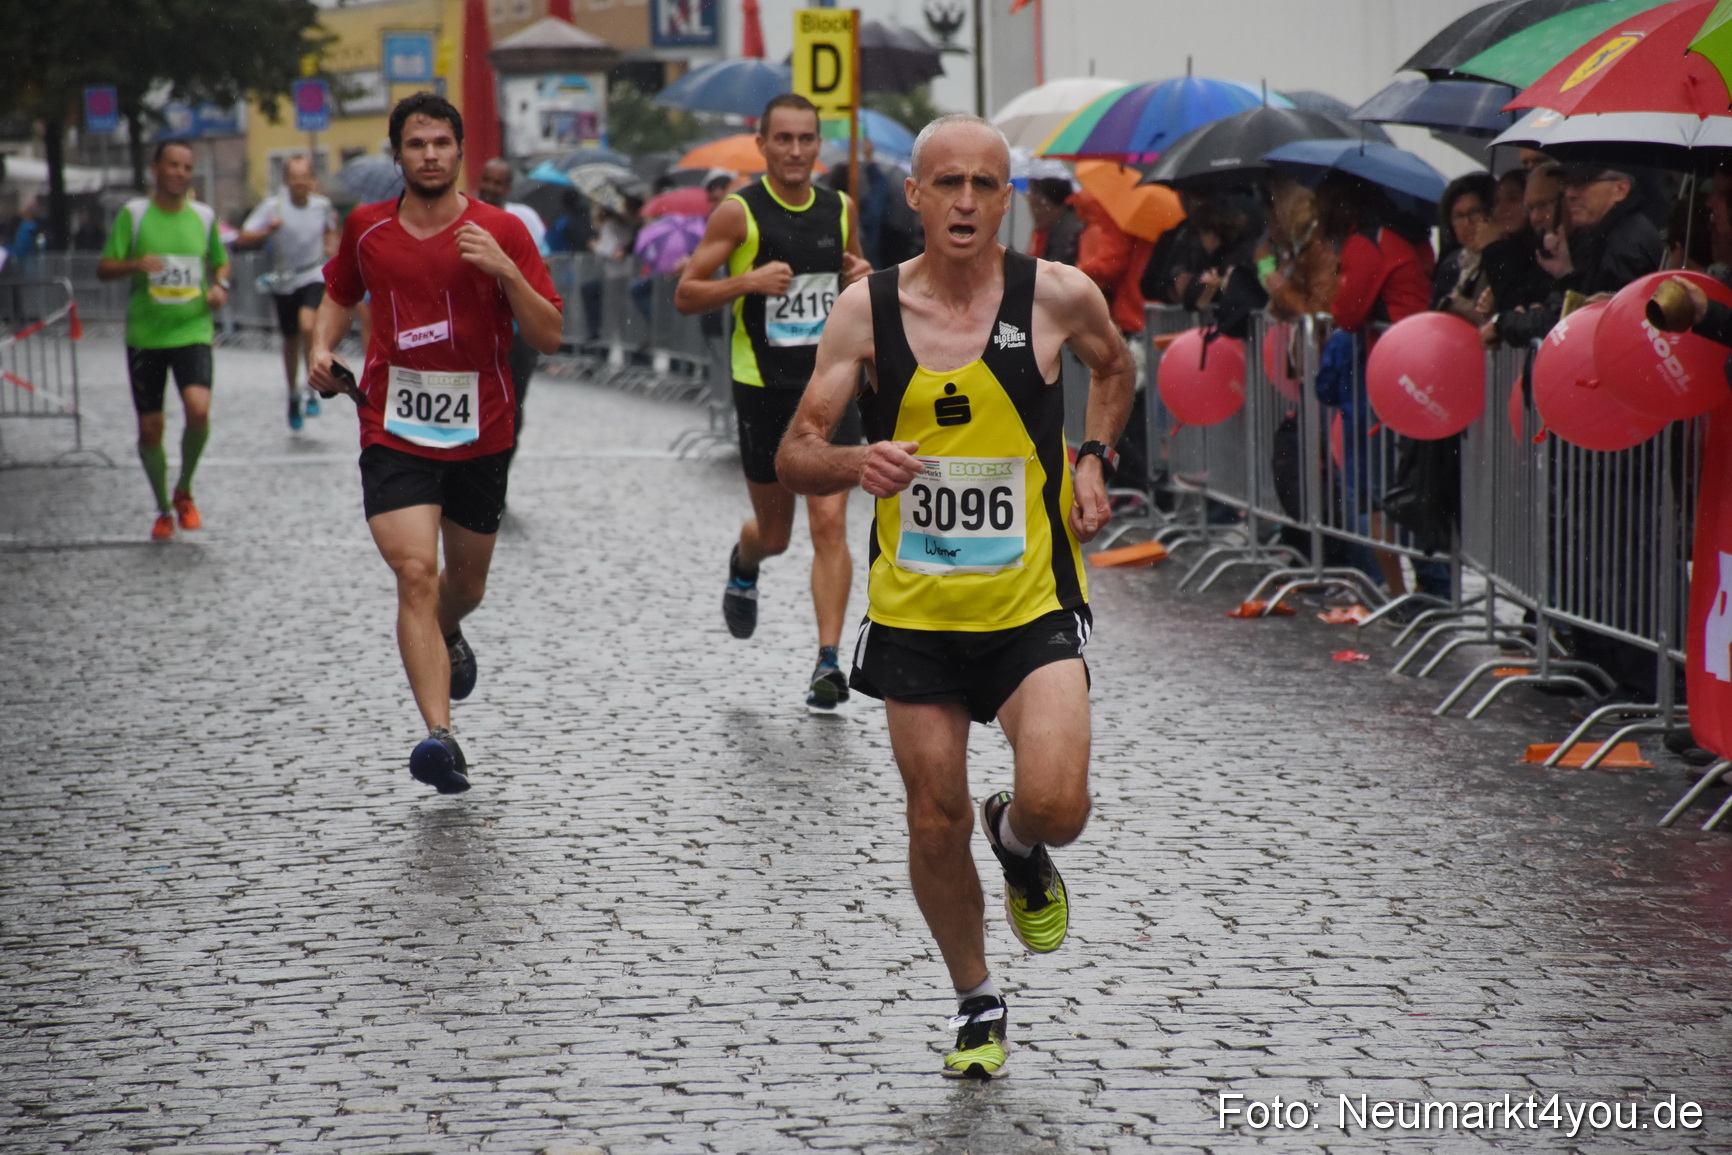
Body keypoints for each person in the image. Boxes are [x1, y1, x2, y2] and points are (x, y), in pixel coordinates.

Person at [775, 114, 1134, 1079]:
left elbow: (1118, 366)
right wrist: (857, 457)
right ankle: (977, 998)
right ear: (916, 196)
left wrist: (1094, 457)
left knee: (1060, 803)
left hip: (1030, 605)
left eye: (986, 184)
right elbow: (795, 452)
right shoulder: (867, 312)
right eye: (949, 184)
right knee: (932, 813)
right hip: (916, 615)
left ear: (1007, 197)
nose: (967, 201)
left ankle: (1016, 840)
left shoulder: (1058, 296)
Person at [306, 92, 563, 794]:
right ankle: (439, 737)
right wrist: (321, 348)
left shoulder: (502, 229)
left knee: (466, 583)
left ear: (459, 153)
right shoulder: (366, 228)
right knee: (416, 573)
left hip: (482, 427)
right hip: (392, 426)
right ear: (398, 154)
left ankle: (448, 631)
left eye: (441, 144)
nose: (429, 155)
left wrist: (506, 272)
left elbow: (549, 335)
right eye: (416, 144)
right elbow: (338, 292)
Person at [674, 93, 871, 712]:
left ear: (819, 145)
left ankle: (828, 661)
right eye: (782, 139)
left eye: (805, 139)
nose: (794, 151)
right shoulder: (739, 214)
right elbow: (685, 293)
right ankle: (745, 556)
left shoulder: (840, 207)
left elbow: (849, 272)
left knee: (831, 521)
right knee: (779, 534)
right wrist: (748, 282)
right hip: (762, 388)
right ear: (762, 144)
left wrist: (859, 277)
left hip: (828, 386)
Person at [97, 140, 230, 541]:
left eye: (186, 167)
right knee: (151, 429)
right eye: (172, 165)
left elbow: (220, 259)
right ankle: (162, 508)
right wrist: (135, 264)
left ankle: (184, 488)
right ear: (155, 169)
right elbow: (104, 267)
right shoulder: (134, 215)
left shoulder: (204, 217)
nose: (180, 173)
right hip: (147, 336)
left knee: (198, 410)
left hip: (193, 330)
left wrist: (220, 285)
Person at [235, 155, 340, 430]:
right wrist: (267, 231)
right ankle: (293, 394)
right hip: (284, 280)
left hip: (313, 273)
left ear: (311, 179)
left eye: (303, 176)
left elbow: (332, 230)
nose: (299, 182)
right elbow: (243, 237)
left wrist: (331, 245)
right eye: (293, 177)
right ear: (286, 181)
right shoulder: (274, 207)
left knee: (308, 326)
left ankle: (310, 388)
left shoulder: (322, 206)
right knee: (290, 341)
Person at [475, 157, 551, 441]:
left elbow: (544, 266)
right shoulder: (462, 215)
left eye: (498, 183)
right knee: (478, 400)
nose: (491, 188)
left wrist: (509, 270)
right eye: (486, 181)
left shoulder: (524, 220)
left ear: (508, 188)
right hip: (474, 329)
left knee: (512, 404)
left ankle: (502, 463)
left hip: (516, 331)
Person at [1025, 177, 1083, 267]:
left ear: (1059, 204)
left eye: (1039, 204)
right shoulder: (1048, 230)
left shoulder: (1067, 232)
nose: (1034, 212)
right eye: (1032, 205)